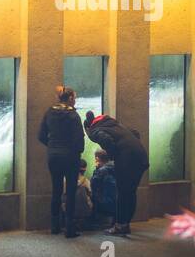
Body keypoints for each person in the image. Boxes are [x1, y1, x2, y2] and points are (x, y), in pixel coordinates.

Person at [84, 111, 148, 236]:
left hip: (127, 161)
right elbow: (135, 133)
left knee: (122, 192)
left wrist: (114, 156)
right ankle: (125, 224)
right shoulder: (113, 124)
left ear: (87, 128)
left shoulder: (94, 131)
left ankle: (120, 226)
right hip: (141, 157)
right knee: (130, 192)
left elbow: (107, 141)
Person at [38, 85, 85, 237]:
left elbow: (41, 135)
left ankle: (55, 226)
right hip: (70, 157)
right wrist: (77, 152)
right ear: (70, 98)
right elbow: (79, 140)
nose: (75, 101)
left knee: (56, 190)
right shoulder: (73, 115)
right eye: (75, 98)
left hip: (54, 156)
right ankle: (70, 229)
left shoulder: (49, 112)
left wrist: (52, 146)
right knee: (70, 191)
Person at [88, 150, 117, 230]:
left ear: (97, 158)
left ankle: (94, 221)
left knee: (91, 195)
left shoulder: (101, 170)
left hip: (103, 202)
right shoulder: (115, 166)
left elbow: (93, 183)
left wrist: (96, 169)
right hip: (116, 201)